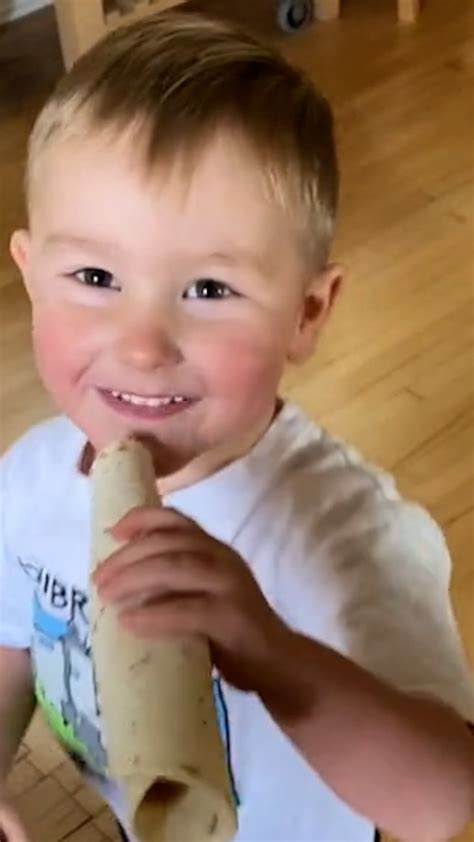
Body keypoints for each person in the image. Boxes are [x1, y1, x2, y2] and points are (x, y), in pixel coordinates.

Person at [0, 11, 473, 842]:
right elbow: (9, 636)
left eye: (210, 290)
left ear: (307, 312)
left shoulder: (346, 539)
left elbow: (445, 802)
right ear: (31, 276)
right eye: (96, 275)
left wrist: (274, 657)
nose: (143, 346)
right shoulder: (34, 477)